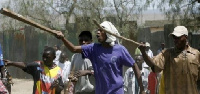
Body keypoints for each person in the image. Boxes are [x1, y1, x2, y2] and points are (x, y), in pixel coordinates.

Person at [54, 21, 145, 94]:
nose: (98, 32)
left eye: (101, 30)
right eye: (97, 30)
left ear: (109, 33)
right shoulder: (93, 48)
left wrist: (141, 89)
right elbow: (73, 49)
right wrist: (62, 38)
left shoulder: (120, 50)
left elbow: (134, 65)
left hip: (116, 91)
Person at [139, 26, 200, 94]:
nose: (175, 40)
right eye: (174, 37)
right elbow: (153, 64)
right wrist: (143, 52)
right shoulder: (167, 54)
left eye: (178, 37)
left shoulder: (196, 54)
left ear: (186, 37)